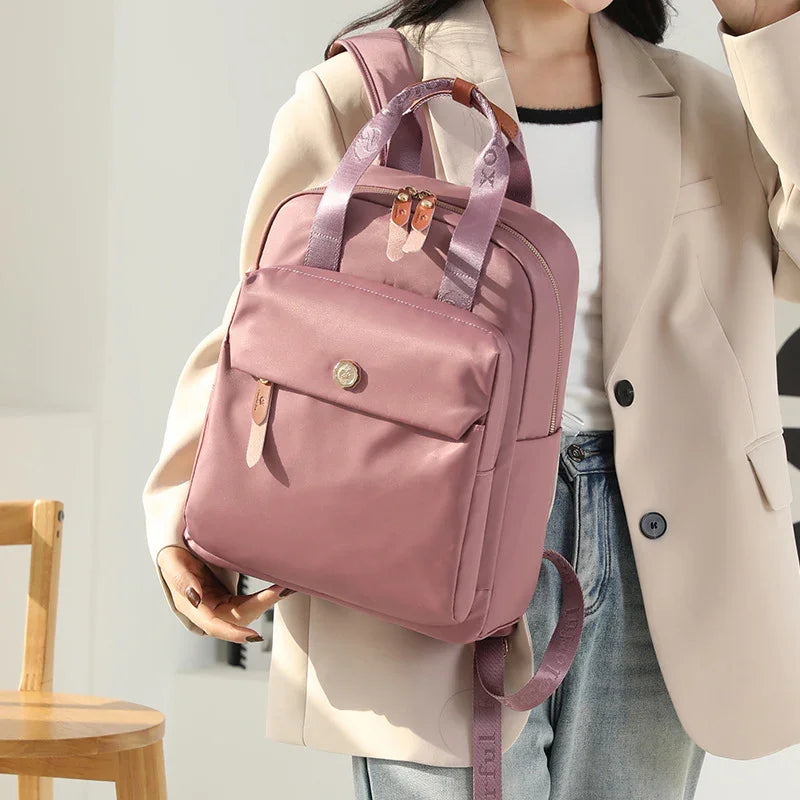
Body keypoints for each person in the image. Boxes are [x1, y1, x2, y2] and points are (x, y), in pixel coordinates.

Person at [142, 1, 800, 798]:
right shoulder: (366, 90)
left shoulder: (707, 101)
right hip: (428, 527)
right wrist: (178, 519)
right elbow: (260, 322)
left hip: (662, 551)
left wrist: (772, 28)